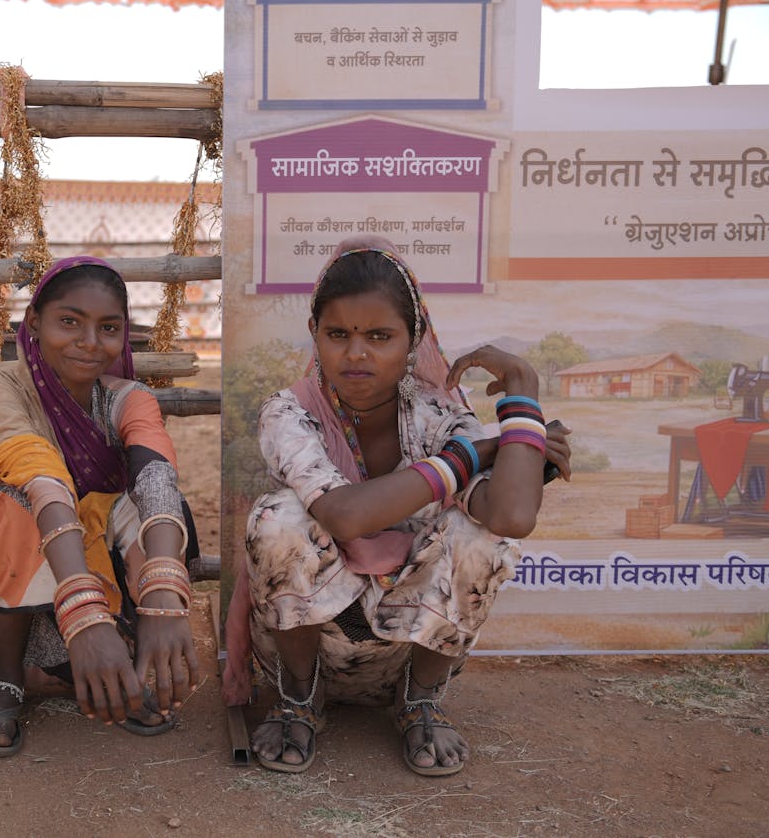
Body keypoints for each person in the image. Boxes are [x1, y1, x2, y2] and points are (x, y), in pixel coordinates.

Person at [223, 236, 572, 777]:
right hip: (307, 647)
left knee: (482, 536)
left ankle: (420, 703)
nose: (356, 353)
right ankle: (299, 701)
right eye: (337, 334)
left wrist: (522, 397)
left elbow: (511, 518)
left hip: (408, 652)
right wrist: (477, 453)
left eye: (380, 336)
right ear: (315, 335)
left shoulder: (435, 417)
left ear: (413, 343)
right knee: (278, 519)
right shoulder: (289, 412)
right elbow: (344, 515)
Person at [0, 256, 202, 757]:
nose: (89, 342)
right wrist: (84, 613)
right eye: (69, 322)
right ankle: (7, 674)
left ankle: (139, 654)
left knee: (157, 506)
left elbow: (156, 473)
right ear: (33, 323)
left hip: (109, 579)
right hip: (23, 582)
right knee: (11, 506)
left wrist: (165, 593)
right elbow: (41, 476)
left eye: (108, 328)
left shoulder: (129, 397)